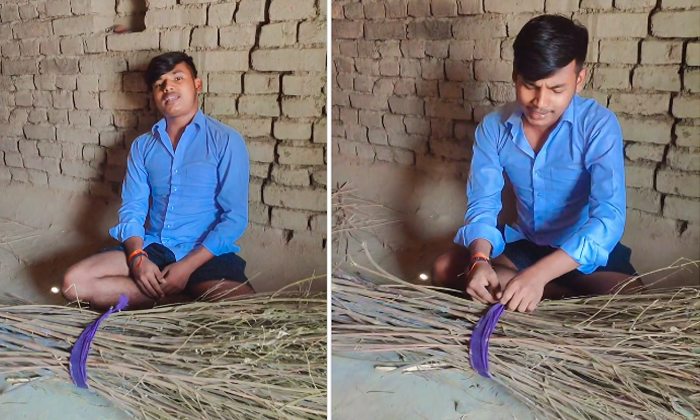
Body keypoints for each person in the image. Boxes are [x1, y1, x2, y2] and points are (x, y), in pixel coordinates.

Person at [432, 15, 640, 313]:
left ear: (579, 80)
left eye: (557, 89)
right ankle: (551, 296)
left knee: (633, 304)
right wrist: (479, 260)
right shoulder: (493, 128)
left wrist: (538, 276)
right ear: (516, 75)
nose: (540, 103)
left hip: (581, 251)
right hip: (527, 244)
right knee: (446, 269)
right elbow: (483, 204)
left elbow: (609, 217)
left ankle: (541, 291)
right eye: (530, 86)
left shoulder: (598, 125)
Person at [62, 52, 253, 310]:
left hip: (205, 253)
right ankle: (182, 301)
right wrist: (137, 258)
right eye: (159, 84)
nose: (168, 87)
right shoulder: (143, 147)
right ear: (154, 95)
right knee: (74, 283)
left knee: (247, 312)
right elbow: (133, 210)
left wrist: (186, 268)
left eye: (177, 78)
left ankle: (179, 293)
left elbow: (234, 219)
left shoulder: (226, 140)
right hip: (155, 248)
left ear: (197, 85)